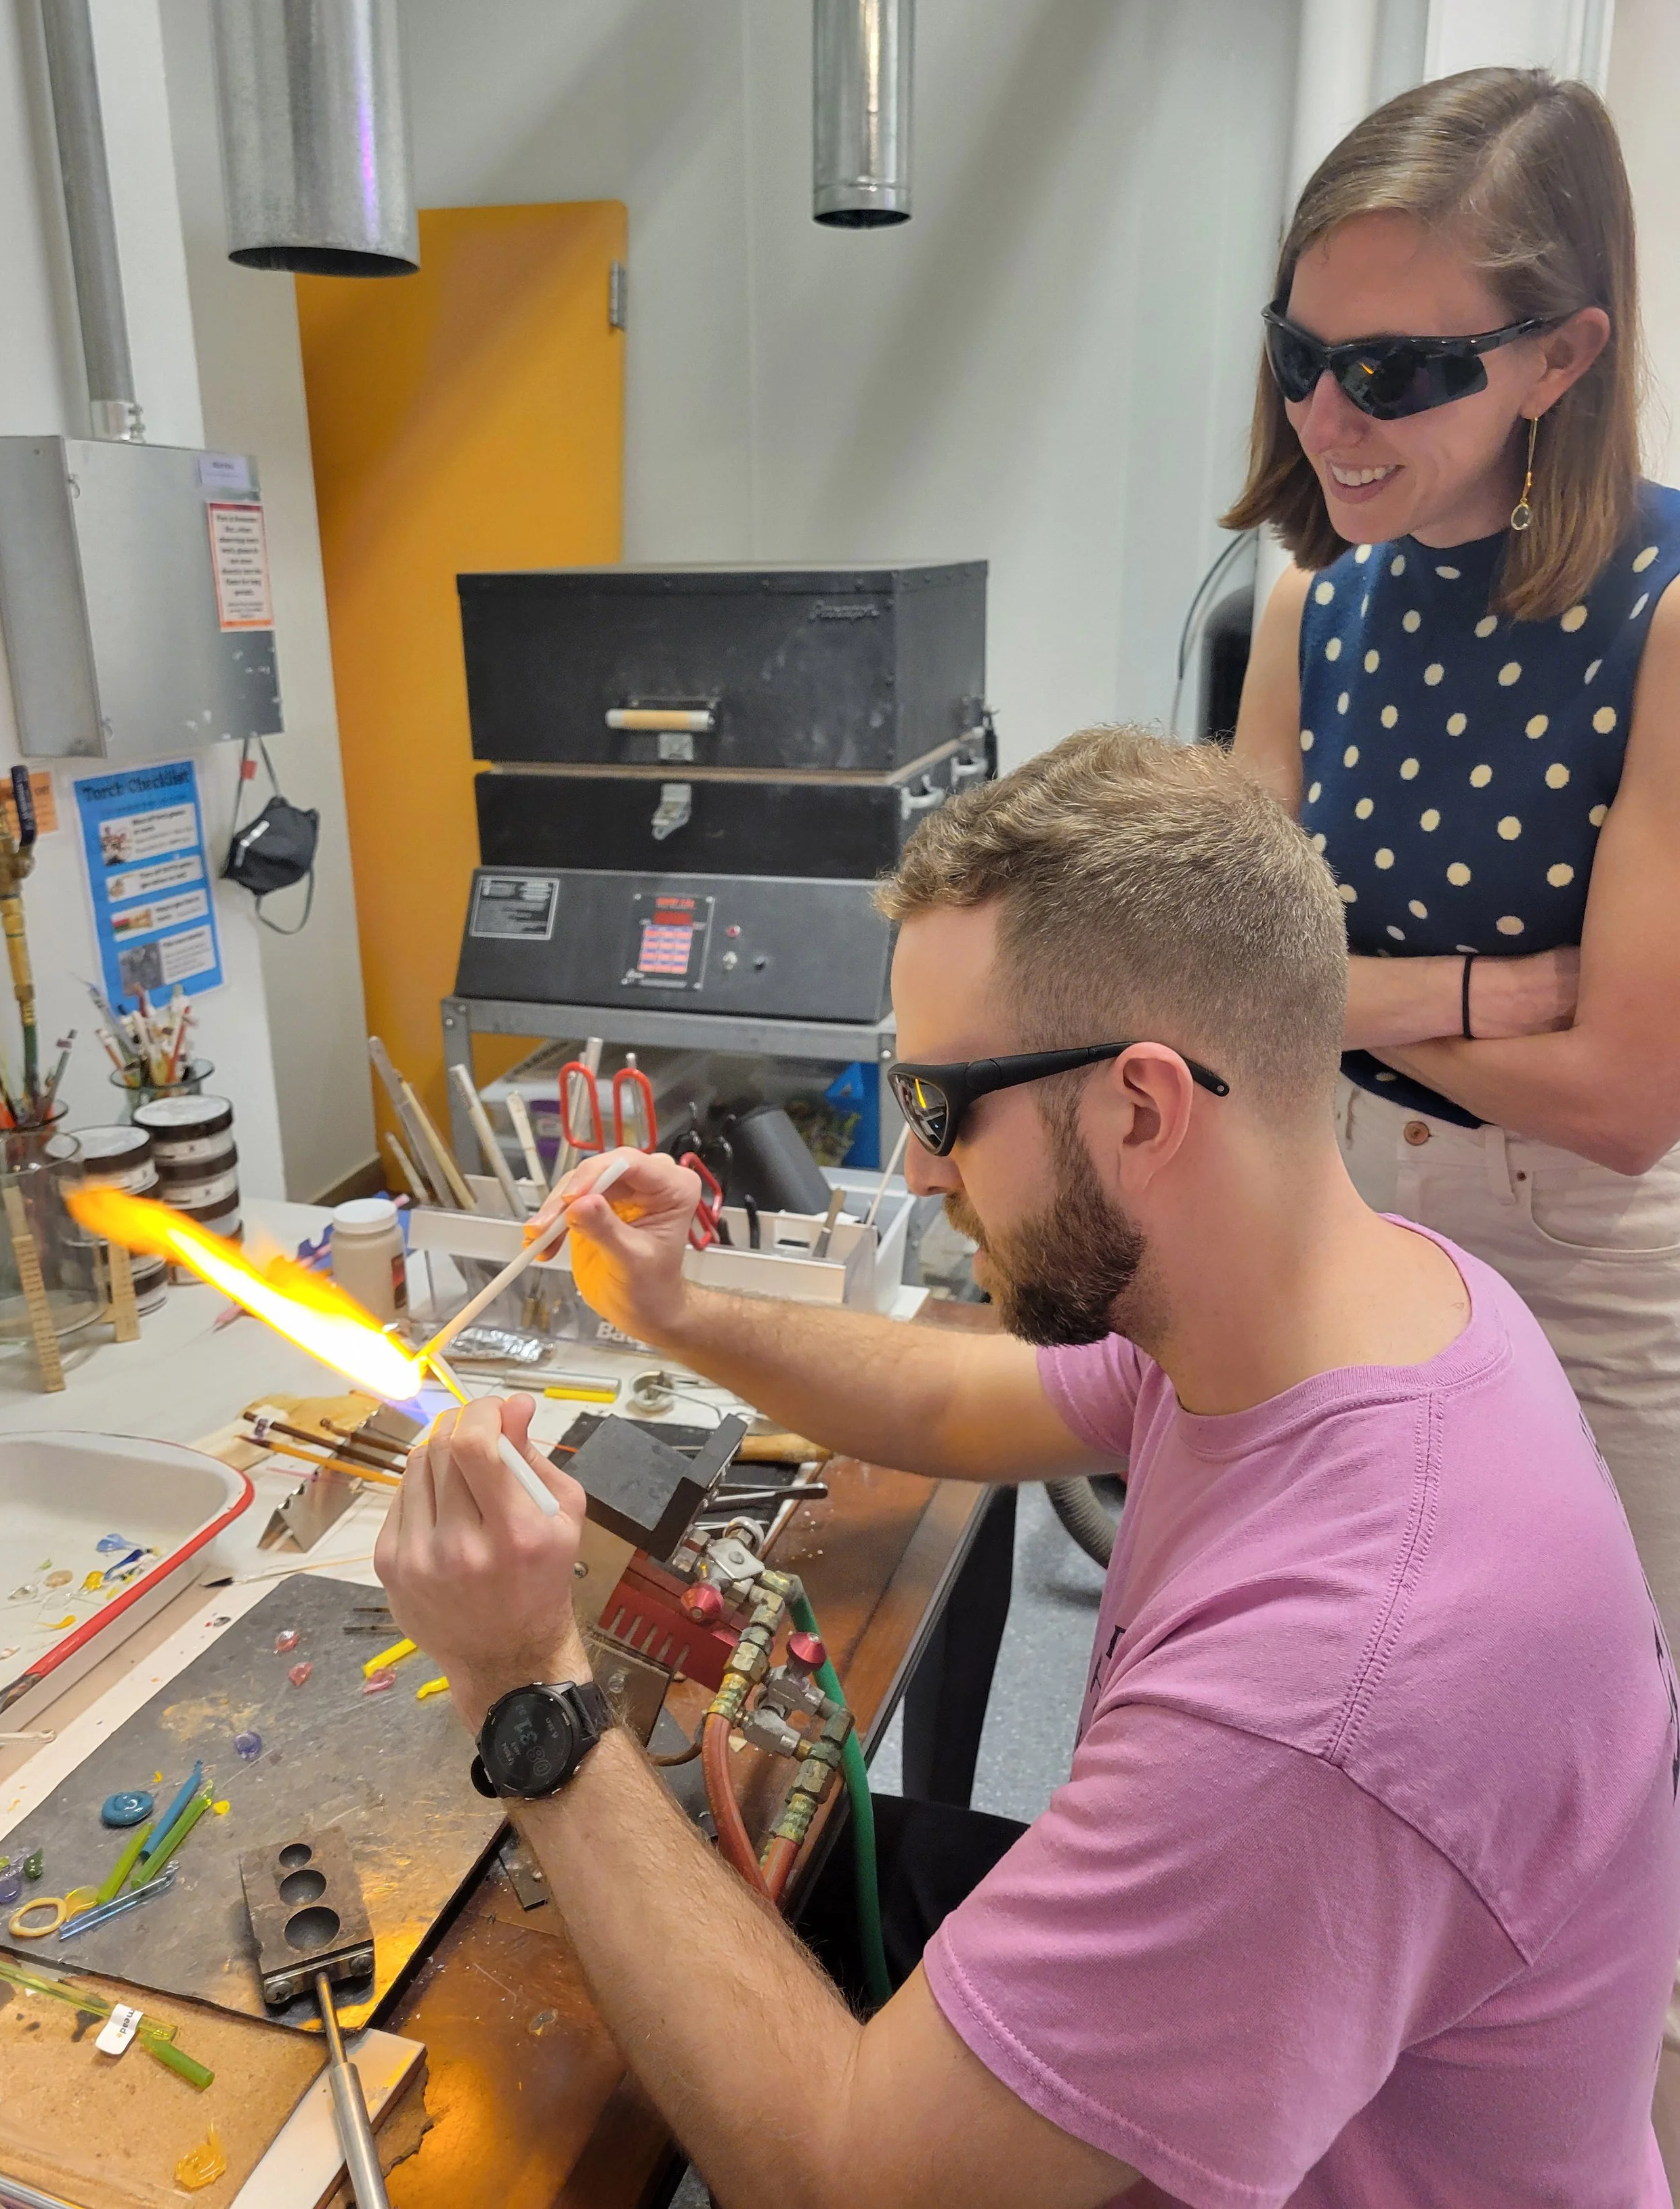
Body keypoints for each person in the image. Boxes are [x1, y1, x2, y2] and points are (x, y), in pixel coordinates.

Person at [377, 728, 1680, 2208]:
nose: (918, 1169)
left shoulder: (1323, 1697)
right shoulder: (1347, 1302)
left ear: (1139, 1106)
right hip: (1306, 2070)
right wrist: (674, 1309)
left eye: (939, 1109)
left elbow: (844, 2176)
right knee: (744, 1874)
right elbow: (962, 1398)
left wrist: (527, 1688)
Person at [1228, 68, 1680, 1690]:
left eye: (1395, 371)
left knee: (1595, 1714)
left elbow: (1626, 1098)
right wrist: (1484, 992)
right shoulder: (1309, 611)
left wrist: (1328, 1006)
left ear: (1558, 356)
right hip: (1342, 1190)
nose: (1326, 419)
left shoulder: (1665, 612)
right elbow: (1228, 991)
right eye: (1299, 356)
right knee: (1369, 1668)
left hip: (1583, 1242)